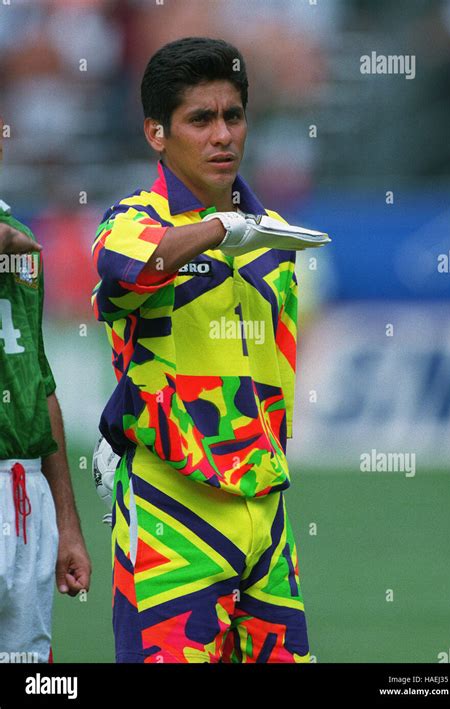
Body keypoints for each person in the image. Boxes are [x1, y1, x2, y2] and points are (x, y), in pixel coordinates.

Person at [92, 37, 329, 663]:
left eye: (234, 116)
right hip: (175, 513)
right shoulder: (132, 220)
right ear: (156, 133)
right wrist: (219, 229)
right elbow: (120, 273)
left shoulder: (278, 238)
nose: (223, 135)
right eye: (200, 119)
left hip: (267, 517)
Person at [0, 120, 91, 664]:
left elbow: (40, 382)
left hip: (26, 492)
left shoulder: (22, 239)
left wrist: (68, 525)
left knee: (32, 668)